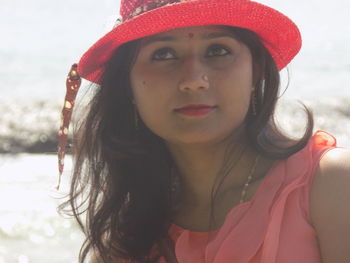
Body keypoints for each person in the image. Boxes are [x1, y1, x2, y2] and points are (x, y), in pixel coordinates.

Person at [57, 0, 350, 262]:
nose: (194, 80)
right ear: (127, 85)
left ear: (256, 70)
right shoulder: (124, 246)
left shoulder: (332, 185)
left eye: (218, 50)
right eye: (163, 54)